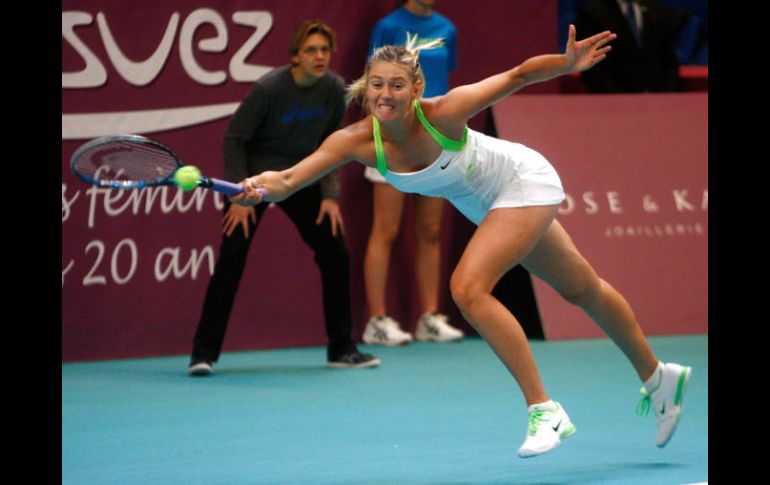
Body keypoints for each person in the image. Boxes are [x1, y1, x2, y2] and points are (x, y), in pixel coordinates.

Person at [233, 26, 692, 458]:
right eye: (376, 85)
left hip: (521, 180)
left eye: (397, 85)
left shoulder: (445, 111)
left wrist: (565, 63)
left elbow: (517, 75)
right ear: (364, 88)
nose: (385, 94)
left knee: (468, 289)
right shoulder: (354, 141)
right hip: (485, 205)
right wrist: (255, 187)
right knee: (582, 289)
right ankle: (659, 378)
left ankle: (544, 410)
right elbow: (288, 179)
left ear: (416, 88)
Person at [188, 20, 380, 376]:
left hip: (300, 179)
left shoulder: (334, 89)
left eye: (325, 50)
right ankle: (203, 354)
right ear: (295, 56)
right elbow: (234, 139)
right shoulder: (268, 89)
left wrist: (329, 196)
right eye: (311, 50)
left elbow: (332, 146)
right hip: (254, 181)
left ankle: (342, 349)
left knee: (335, 253)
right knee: (231, 260)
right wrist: (238, 196)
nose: (320, 56)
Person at [362, 0, 464, 346]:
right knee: (386, 229)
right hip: (393, 137)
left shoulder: (447, 29)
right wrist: (385, 132)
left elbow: (441, 84)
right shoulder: (388, 27)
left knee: (431, 230)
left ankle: (429, 318)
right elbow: (373, 86)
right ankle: (377, 321)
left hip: (434, 139)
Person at [574, 0, 681, 92]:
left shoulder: (658, 9)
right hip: (611, 100)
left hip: (657, 100)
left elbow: (669, 61)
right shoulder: (593, 13)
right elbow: (592, 67)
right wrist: (620, 101)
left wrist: (663, 96)